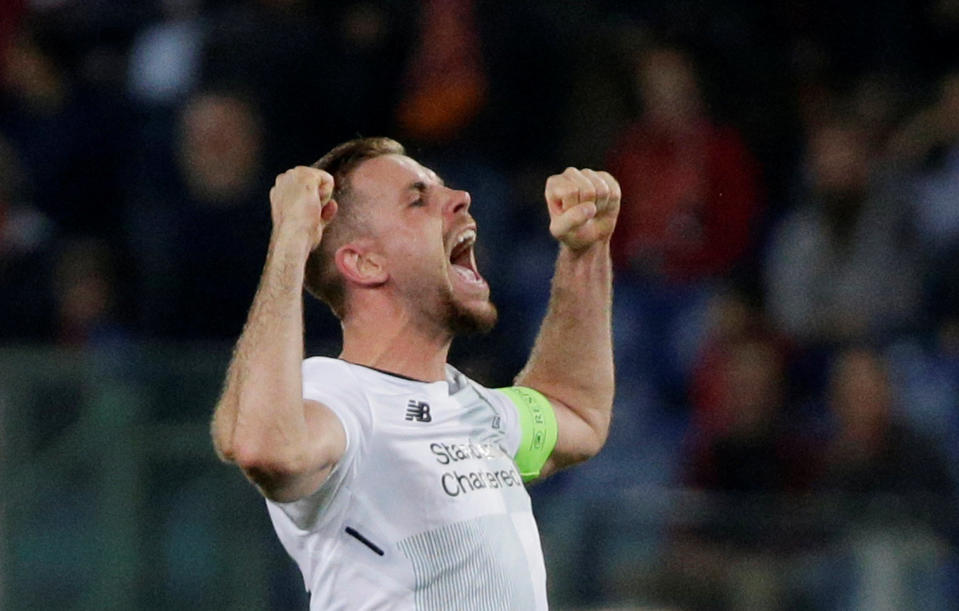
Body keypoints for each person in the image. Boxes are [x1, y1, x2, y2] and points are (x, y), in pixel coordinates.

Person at [210, 136, 620, 609]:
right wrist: (290, 240)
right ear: (365, 263)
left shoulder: (474, 408)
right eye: (418, 199)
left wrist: (585, 253)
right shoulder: (342, 396)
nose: (461, 198)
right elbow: (262, 445)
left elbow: (576, 413)